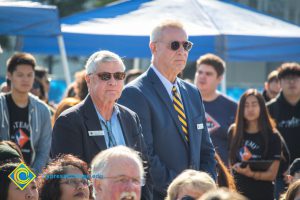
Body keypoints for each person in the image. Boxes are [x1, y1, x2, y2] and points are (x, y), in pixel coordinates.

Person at [119, 20, 216, 199]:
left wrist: (206, 189)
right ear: (153, 48)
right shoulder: (135, 93)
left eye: (186, 45)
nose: (182, 51)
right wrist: (182, 191)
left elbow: (206, 150)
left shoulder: (192, 92)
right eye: (174, 45)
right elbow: (144, 156)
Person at [51, 50, 151, 200]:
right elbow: (69, 179)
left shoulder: (130, 117)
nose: (113, 82)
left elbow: (143, 170)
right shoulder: (69, 121)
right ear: (89, 80)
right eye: (105, 76)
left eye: (119, 76)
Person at [0, 52, 52, 174]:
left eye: (29, 75)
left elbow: (44, 151)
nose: (25, 79)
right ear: (9, 75)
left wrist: (29, 177)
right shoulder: (1, 104)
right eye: (20, 75)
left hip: (32, 178)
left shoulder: (43, 109)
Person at [228, 89, 281, 200]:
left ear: (262, 107)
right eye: (246, 105)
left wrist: (251, 173)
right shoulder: (234, 131)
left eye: (254, 104)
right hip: (238, 194)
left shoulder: (273, 135)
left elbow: (272, 174)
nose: (250, 109)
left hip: (263, 194)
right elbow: (230, 164)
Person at [194, 53, 237, 166]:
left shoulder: (232, 107)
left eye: (208, 74)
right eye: (200, 72)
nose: (202, 76)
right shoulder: (184, 101)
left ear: (219, 78)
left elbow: (238, 145)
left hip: (220, 174)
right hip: (189, 172)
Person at [267, 62, 300, 198]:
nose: (291, 82)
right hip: (278, 175)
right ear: (279, 82)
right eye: (287, 79)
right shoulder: (269, 109)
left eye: (296, 78)